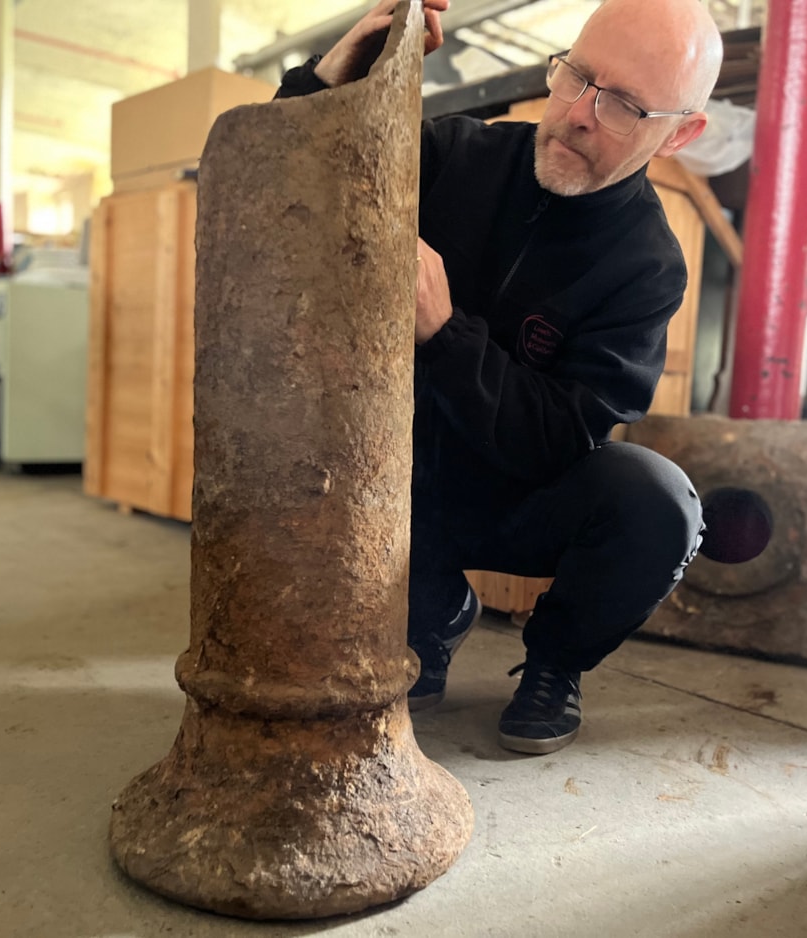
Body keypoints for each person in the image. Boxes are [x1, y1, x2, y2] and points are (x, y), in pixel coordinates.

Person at [275, 0, 723, 754]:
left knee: (658, 504)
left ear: (679, 133)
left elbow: (556, 438)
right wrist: (332, 74)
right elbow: (293, 173)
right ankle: (435, 611)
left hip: (521, 497)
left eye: (622, 106)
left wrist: (447, 335)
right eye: (577, 76)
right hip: (394, 483)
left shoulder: (648, 268)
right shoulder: (457, 154)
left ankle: (555, 662)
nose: (580, 114)